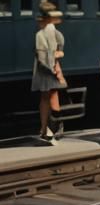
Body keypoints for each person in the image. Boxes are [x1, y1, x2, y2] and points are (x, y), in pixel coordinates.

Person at [32, 7, 66, 144]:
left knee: (47, 97)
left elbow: (43, 56)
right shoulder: (55, 34)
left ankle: (47, 130)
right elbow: (58, 51)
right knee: (50, 96)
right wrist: (55, 66)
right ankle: (50, 129)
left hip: (47, 69)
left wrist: (53, 65)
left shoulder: (42, 34)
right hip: (50, 68)